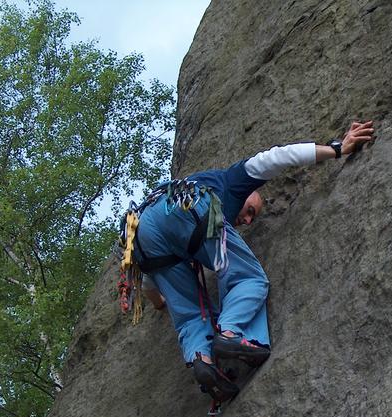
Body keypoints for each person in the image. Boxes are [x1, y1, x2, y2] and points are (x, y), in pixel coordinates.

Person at [133, 121, 374, 399]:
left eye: (250, 219)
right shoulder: (233, 180)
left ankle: (204, 362)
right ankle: (230, 334)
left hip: (141, 234)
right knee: (249, 278)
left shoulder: (164, 225)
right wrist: (336, 149)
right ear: (247, 193)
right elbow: (279, 157)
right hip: (186, 206)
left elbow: (150, 279)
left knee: (188, 314)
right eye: (250, 210)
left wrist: (160, 302)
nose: (246, 219)